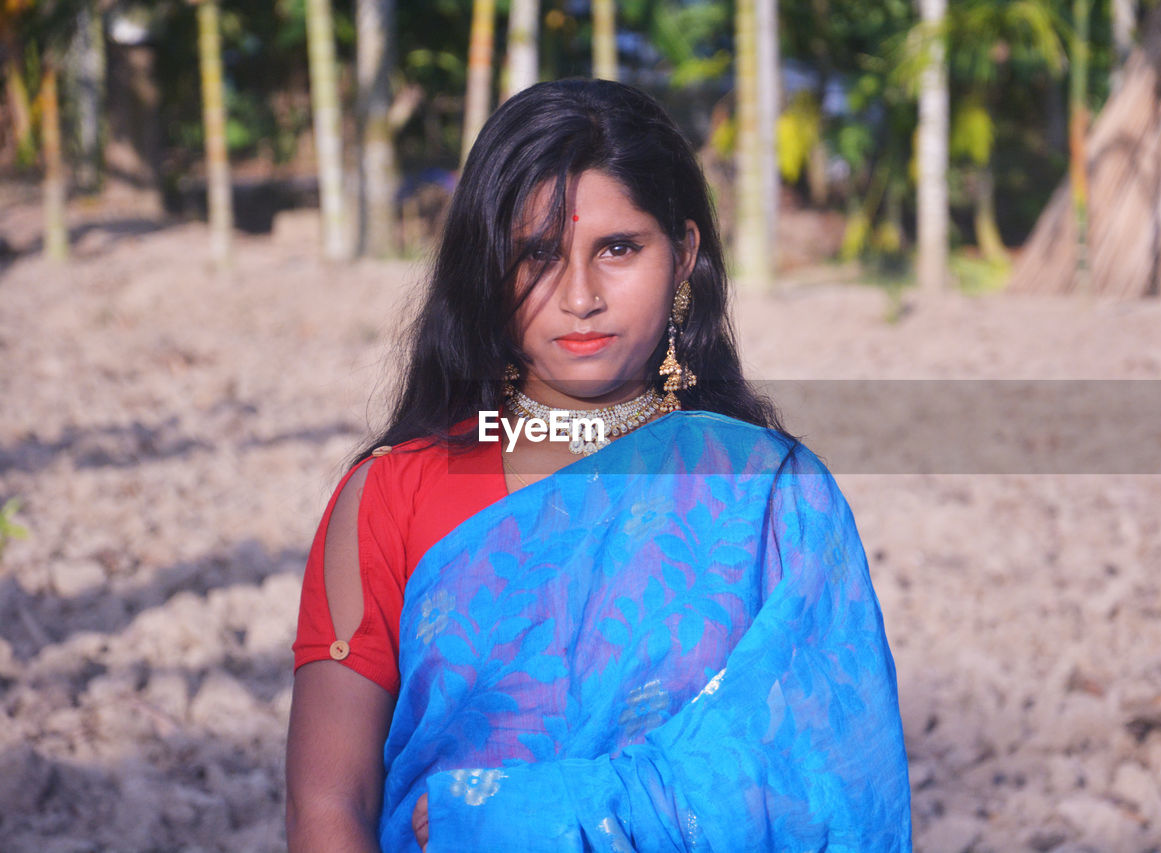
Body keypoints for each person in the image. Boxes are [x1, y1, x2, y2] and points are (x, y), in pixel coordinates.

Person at [285, 78, 910, 852]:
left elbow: (826, 781)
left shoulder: (765, 495)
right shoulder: (393, 494)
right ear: (487, 268)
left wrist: (512, 814)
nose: (579, 296)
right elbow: (327, 807)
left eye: (618, 249)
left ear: (682, 256)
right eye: (537, 255)